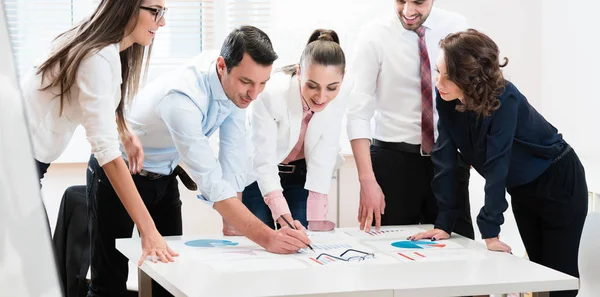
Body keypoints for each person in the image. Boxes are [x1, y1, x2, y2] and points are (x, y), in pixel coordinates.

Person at [86, 25, 312, 297]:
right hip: (119, 174)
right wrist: (268, 238)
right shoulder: (183, 99)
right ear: (221, 66)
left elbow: (232, 156)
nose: (254, 94)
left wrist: (235, 223)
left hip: (165, 176)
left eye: (262, 83)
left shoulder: (233, 85)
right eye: (246, 82)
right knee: (108, 285)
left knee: (170, 279)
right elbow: (212, 182)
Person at [410, 29, 588, 297]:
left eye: (448, 75)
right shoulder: (446, 97)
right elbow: (445, 158)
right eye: (437, 71)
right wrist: (443, 223)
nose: (439, 82)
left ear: (470, 76)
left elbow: (497, 165)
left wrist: (490, 232)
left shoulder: (505, 98)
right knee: (539, 276)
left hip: (559, 181)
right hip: (523, 188)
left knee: (559, 279)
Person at [20, 1, 175, 296]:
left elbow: (100, 102)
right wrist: (148, 229)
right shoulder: (98, 57)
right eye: (155, 11)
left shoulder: (99, 46)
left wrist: (125, 133)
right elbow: (106, 154)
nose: (162, 22)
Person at [346, 0, 474, 238]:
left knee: (458, 248)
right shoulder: (374, 34)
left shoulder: (457, 27)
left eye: (418, 2)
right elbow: (357, 112)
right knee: (388, 250)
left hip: (447, 158)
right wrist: (367, 181)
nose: (407, 11)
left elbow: (471, 96)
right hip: (392, 161)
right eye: (400, 1)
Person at [243, 29, 346, 232]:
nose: (321, 96)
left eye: (331, 88)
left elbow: (324, 153)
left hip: (300, 174)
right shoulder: (270, 94)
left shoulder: (340, 93)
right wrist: (282, 215)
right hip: (256, 174)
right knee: (261, 240)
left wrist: (316, 222)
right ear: (299, 73)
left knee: (303, 237)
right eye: (313, 86)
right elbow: (263, 161)